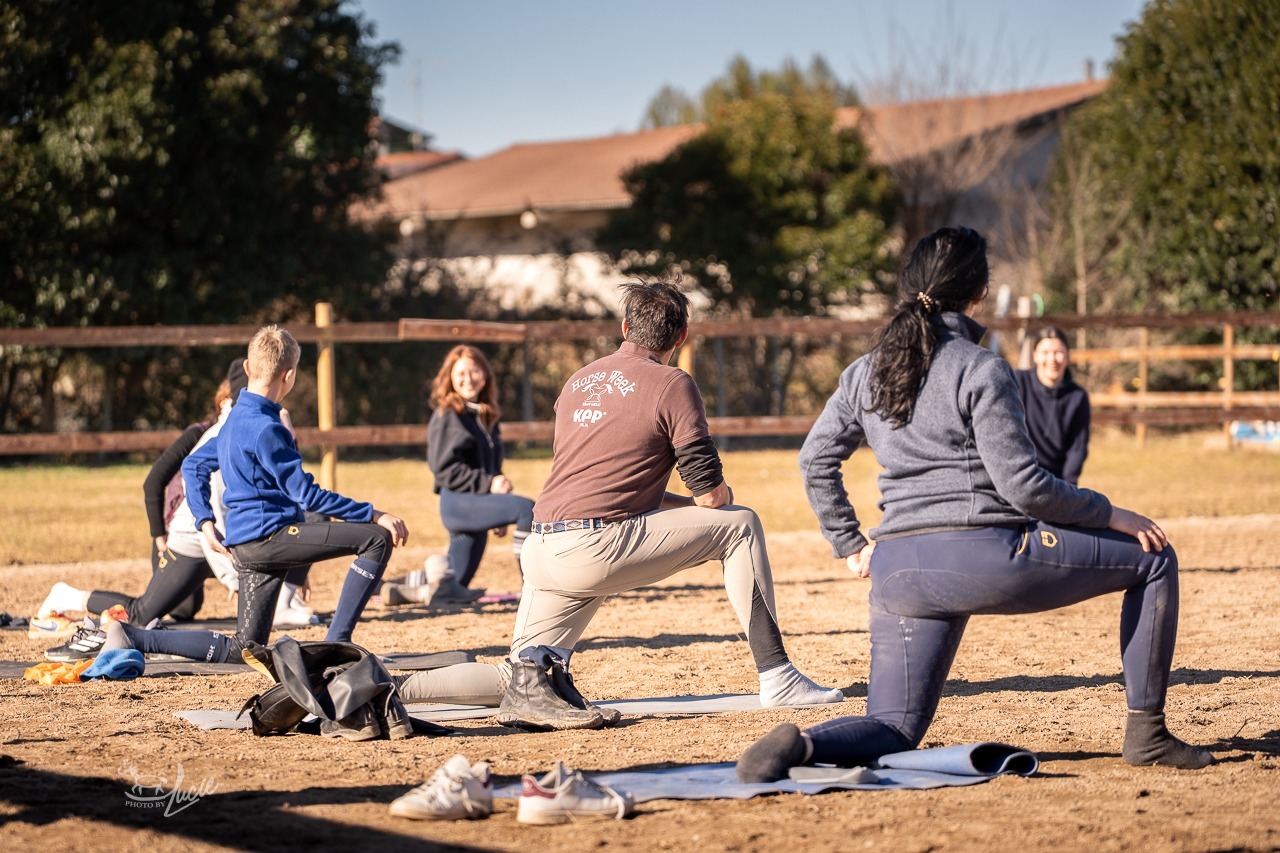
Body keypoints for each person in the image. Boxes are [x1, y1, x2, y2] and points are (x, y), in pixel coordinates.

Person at [736, 226, 1214, 783]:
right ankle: (1148, 734)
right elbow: (1025, 487)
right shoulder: (980, 366)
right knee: (1154, 558)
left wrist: (849, 542)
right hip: (983, 558)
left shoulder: (863, 371)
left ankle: (803, 748)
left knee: (893, 724)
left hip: (897, 573)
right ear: (978, 294)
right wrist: (1110, 512)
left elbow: (813, 459)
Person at [497, 280, 843, 731]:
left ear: (624, 327)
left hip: (540, 549)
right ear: (682, 337)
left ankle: (393, 685)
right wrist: (720, 497)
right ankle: (777, 675)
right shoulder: (673, 382)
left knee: (517, 676)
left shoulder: (578, 379)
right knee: (740, 524)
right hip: (594, 550)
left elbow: (604, 479)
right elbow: (710, 495)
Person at [96, 325, 409, 663]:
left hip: (247, 546)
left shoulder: (232, 421)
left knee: (244, 648)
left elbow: (193, 466)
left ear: (247, 368)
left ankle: (134, 635)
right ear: (289, 377)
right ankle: (337, 645)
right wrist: (374, 513)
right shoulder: (267, 428)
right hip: (273, 540)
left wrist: (204, 522)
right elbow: (307, 495)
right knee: (376, 539)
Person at [38, 362, 316, 661]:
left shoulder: (267, 423)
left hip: (230, 538)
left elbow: (287, 496)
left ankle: (284, 605)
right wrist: (231, 576)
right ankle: (67, 595)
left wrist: (294, 566)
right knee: (144, 613)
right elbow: (209, 517)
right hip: (197, 538)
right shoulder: (220, 434)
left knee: (311, 518)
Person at [398, 345, 533, 602]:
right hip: (459, 502)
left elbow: (490, 465)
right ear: (449, 377)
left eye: (474, 371)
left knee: (452, 585)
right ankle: (534, 590)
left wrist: (499, 502)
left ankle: (392, 588)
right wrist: (489, 485)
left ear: (485, 375)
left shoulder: (483, 414)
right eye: (460, 373)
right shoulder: (448, 415)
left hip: (477, 500)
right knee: (528, 510)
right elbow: (443, 469)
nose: (468, 378)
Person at [1014, 326, 1091, 484]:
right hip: (1020, 474)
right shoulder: (1017, 383)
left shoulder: (1077, 397)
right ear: (1035, 355)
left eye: (1058, 352)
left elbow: (1077, 448)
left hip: (1056, 481)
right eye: (1045, 353)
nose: (1052, 359)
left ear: (1068, 355)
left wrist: (1068, 488)